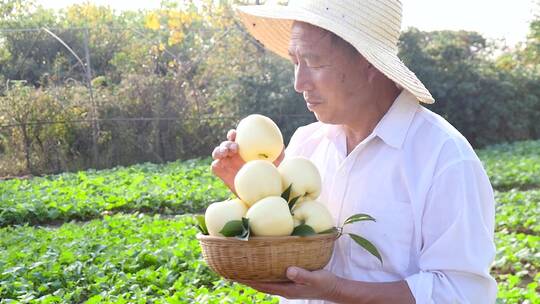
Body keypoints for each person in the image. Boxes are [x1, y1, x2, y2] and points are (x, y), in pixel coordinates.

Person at [211, 1, 497, 303]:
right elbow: (291, 246)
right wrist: (258, 194)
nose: (299, 83)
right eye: (295, 61)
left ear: (368, 61)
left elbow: (462, 293)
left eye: (314, 62)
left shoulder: (443, 158)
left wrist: (335, 290)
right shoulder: (306, 144)